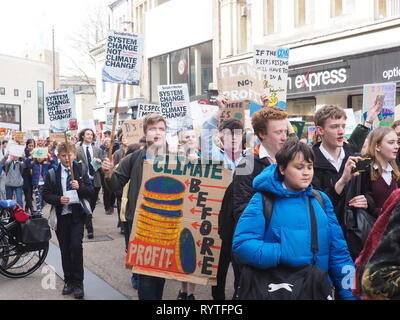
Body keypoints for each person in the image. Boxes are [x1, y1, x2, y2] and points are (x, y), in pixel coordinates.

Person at [233, 139, 356, 300]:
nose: (306, 172)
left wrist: (351, 293)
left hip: (316, 289)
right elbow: (242, 244)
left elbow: (339, 253)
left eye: (310, 167)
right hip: (276, 291)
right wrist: (281, 252)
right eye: (299, 167)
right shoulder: (263, 200)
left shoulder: (321, 200)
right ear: (282, 168)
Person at [102, 113, 169, 300]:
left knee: (161, 274)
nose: (157, 132)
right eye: (153, 129)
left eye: (161, 129)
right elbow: (115, 184)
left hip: (166, 224)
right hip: (140, 223)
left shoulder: (177, 158)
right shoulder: (135, 158)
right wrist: (108, 173)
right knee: (145, 276)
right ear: (145, 132)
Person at [43, 142, 93, 299]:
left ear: (75, 155)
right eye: (63, 155)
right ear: (58, 156)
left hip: (77, 216)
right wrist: (58, 199)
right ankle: (68, 281)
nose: (66, 158)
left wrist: (80, 187)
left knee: (76, 247)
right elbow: (46, 194)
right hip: (61, 217)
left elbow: (91, 192)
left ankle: (79, 283)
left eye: (69, 155)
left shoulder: (81, 169)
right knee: (65, 249)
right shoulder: (53, 172)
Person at [362, 127, 400, 217]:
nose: (397, 146)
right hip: (372, 226)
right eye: (391, 142)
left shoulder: (395, 172)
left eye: (397, 142)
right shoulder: (364, 171)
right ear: (377, 146)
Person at [76, 128, 105, 239]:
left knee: (92, 204)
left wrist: (100, 161)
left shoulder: (97, 150)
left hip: (95, 179)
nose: (90, 136)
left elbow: (103, 163)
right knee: (86, 202)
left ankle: (85, 218)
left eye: (91, 134)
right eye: (87, 134)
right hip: (84, 181)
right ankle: (90, 229)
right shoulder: (78, 150)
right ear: (83, 136)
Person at [25, 147, 55, 215]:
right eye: (38, 157)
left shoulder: (46, 164)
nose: (39, 158)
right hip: (36, 184)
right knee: (38, 198)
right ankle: (39, 211)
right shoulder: (33, 164)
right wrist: (31, 156)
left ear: (44, 157)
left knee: (43, 199)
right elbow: (26, 163)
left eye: (41, 157)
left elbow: (53, 164)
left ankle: (40, 209)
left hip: (44, 184)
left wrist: (50, 157)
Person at [100, 137, 116, 216]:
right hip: (104, 173)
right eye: (106, 142)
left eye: (109, 142)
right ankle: (107, 207)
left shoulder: (115, 151)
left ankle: (112, 205)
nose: (107, 144)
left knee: (113, 191)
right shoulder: (102, 151)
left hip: (114, 172)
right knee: (106, 191)